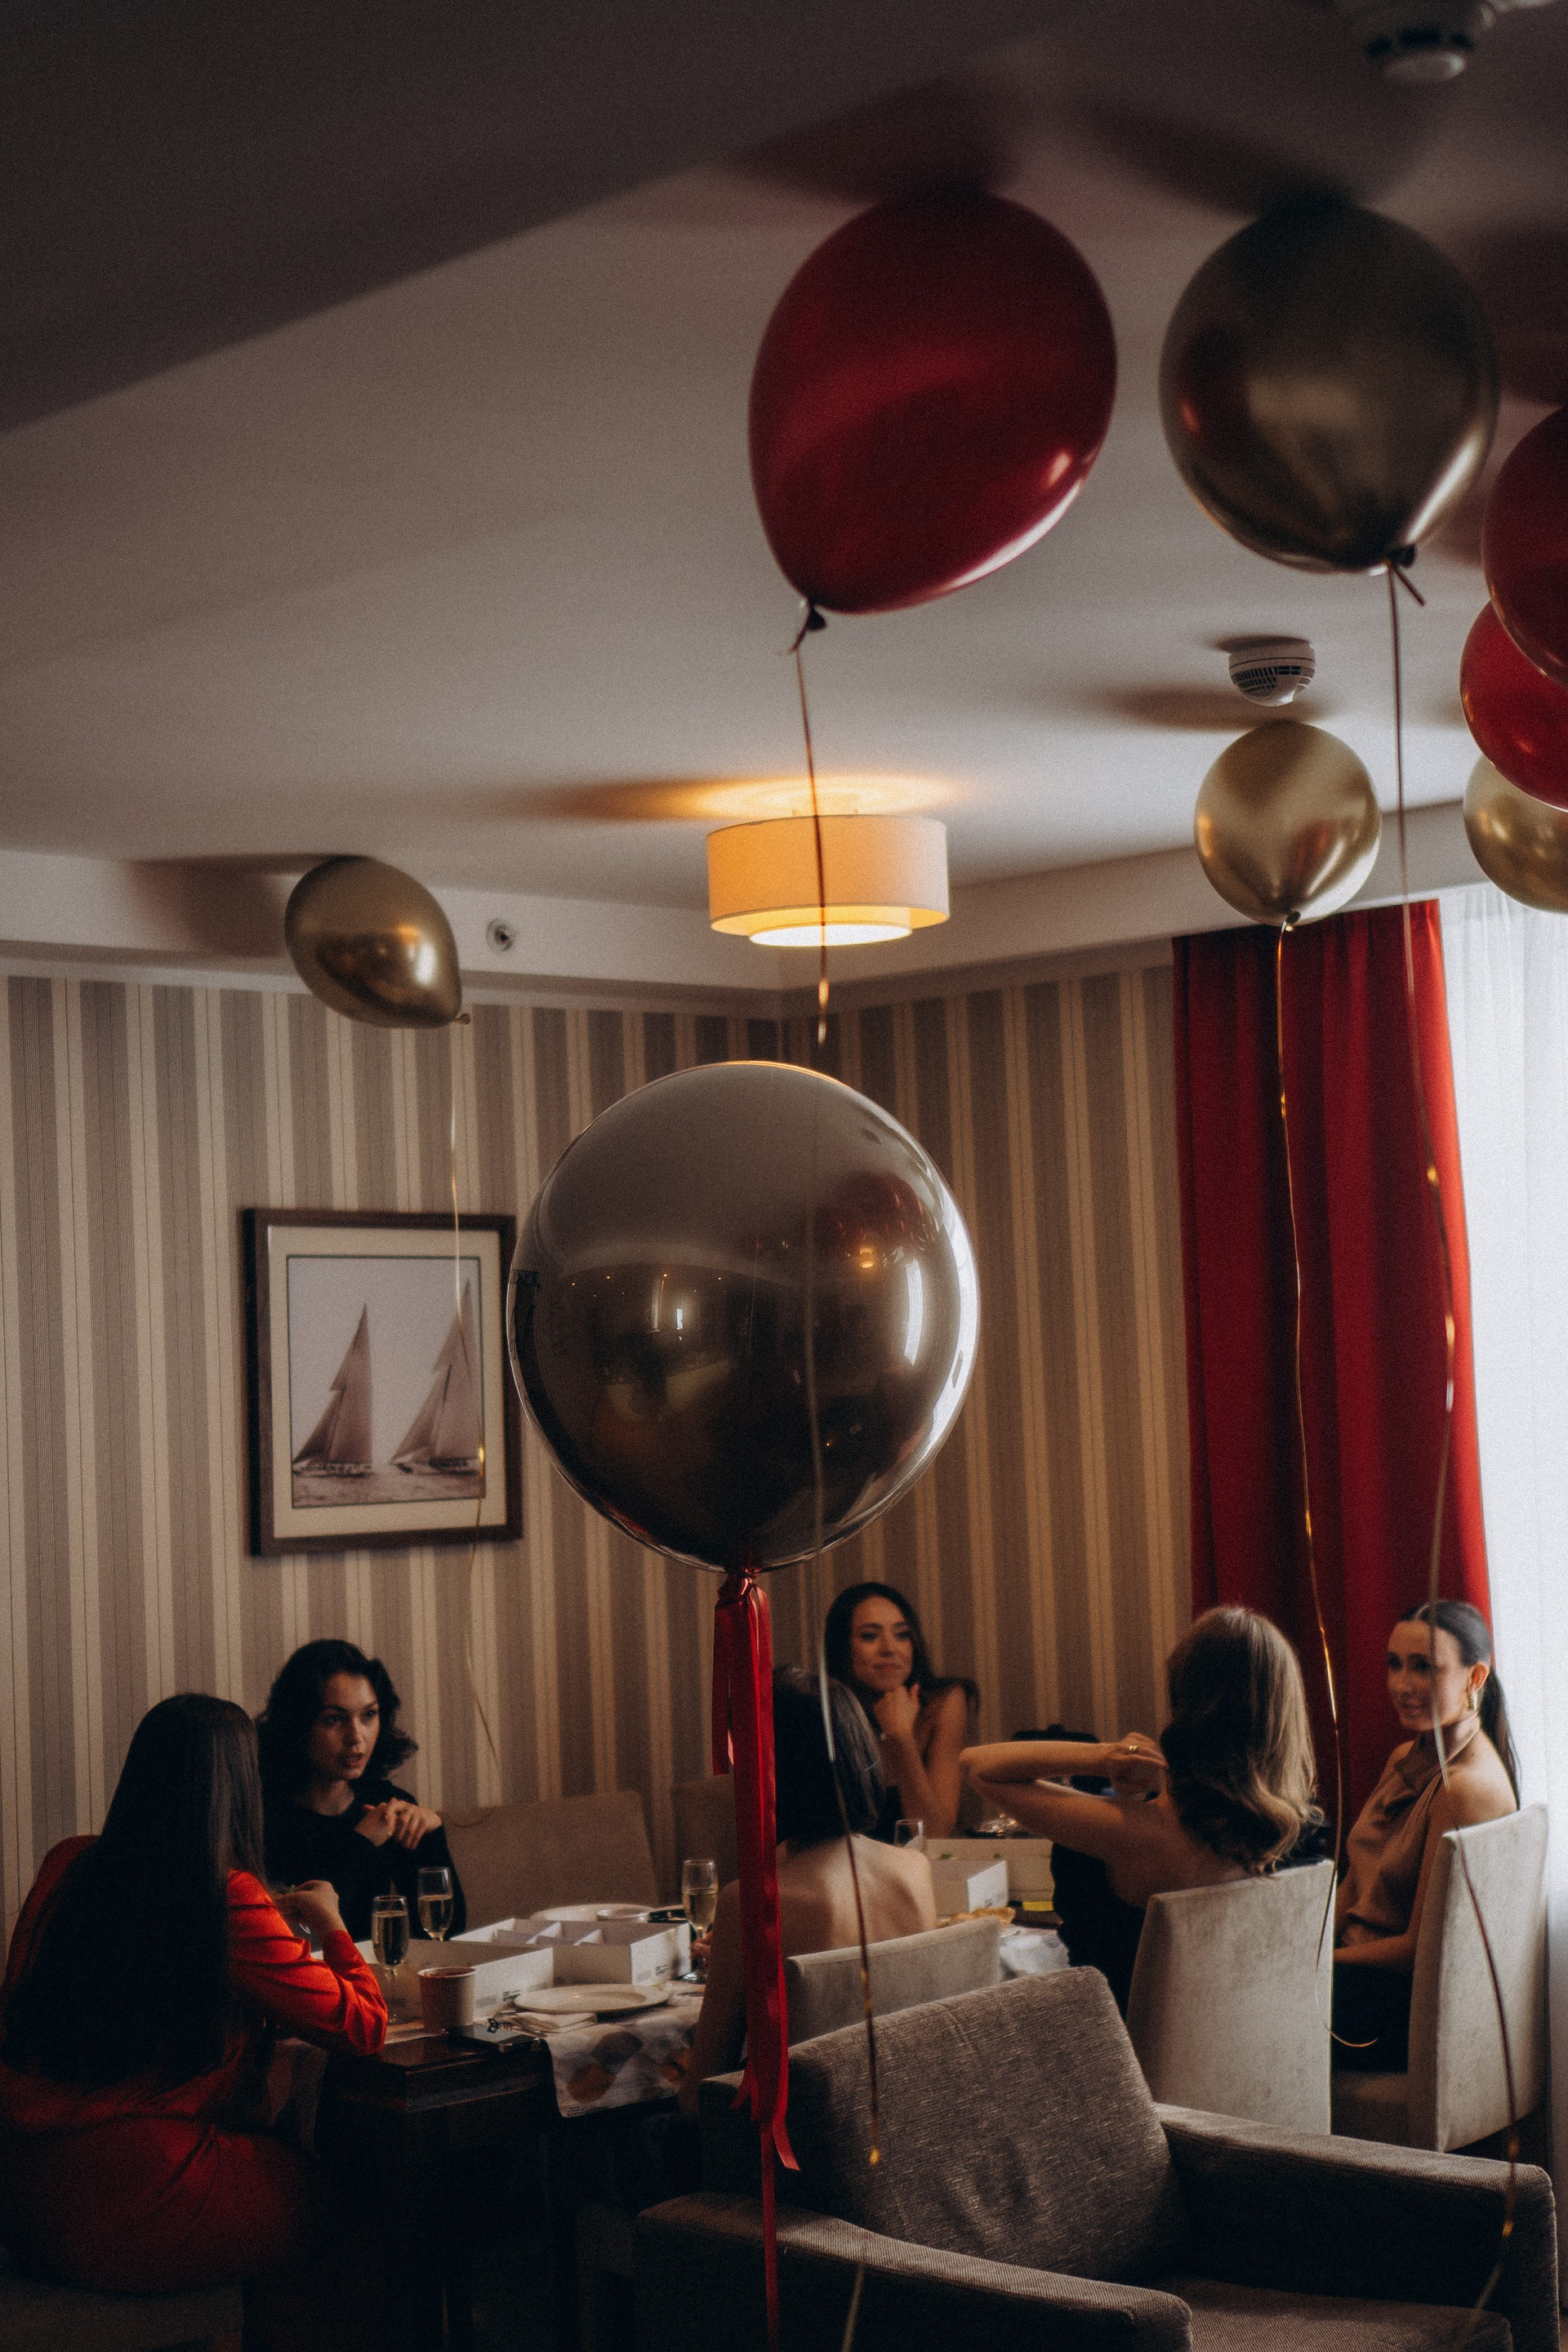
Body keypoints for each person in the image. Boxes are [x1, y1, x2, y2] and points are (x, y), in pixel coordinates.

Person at [0, 1694, 385, 2304]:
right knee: (363, 2198)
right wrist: (330, 1919)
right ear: (240, 1787)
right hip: (137, 2189)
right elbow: (364, 2026)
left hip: (24, 2191)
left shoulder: (68, 1862)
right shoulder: (225, 1897)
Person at [961, 1606, 1320, 2013]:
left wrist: (1105, 1757)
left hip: (1113, 2046)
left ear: (1185, 1703)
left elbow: (977, 1766)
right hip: (1253, 2049)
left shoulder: (1135, 1834)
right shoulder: (1302, 1836)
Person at [680, 1668, 936, 2114]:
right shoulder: (915, 1871)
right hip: (906, 2124)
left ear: (770, 1773)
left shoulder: (752, 1902)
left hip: (804, 2144)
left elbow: (699, 2096)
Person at [1333, 1599, 1517, 2072]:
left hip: (1390, 2003)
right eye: (1394, 1664)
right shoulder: (1405, 1758)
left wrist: (1316, 1964)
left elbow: (1420, 1949)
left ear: (1475, 1677)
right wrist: (1302, 1946)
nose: (1401, 1685)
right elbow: (1357, 1876)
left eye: (1423, 1667)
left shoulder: (1464, 1791)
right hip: (1351, 1970)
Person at [257, 1638, 466, 1943]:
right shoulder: (264, 1813)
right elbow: (304, 1928)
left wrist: (430, 1834)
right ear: (299, 1724)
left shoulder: (389, 1806)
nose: (356, 1737)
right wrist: (363, 1843)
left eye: (369, 1715)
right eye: (333, 1719)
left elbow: (446, 1932)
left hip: (375, 1971)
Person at [823, 1581, 977, 1841]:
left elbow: (934, 1833)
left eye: (902, 1635)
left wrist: (902, 1738)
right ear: (842, 1648)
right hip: (846, 1865)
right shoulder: (823, 1712)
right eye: (870, 1636)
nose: (889, 1649)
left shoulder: (942, 1703)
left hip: (921, 1864)